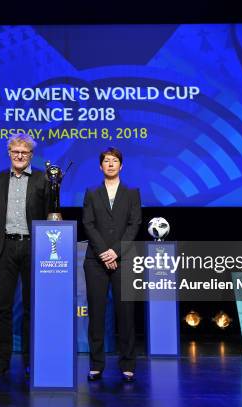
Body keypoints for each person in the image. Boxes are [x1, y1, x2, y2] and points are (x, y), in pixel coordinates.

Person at [0, 133, 48, 378]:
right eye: (15, 152)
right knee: (2, 308)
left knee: (32, 308)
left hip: (33, 246)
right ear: (9, 154)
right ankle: (1, 363)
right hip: (6, 247)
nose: (20, 156)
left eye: (24, 152)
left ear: (31, 155)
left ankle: (29, 362)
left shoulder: (43, 179)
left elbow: (48, 213)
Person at [82, 147, 141, 382]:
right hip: (95, 261)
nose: (110, 164)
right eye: (106, 161)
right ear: (100, 166)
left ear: (121, 166)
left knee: (126, 314)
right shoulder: (91, 193)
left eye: (114, 161)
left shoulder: (132, 193)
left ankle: (127, 364)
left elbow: (134, 225)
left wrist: (115, 252)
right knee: (96, 315)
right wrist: (104, 252)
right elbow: (88, 223)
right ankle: (96, 364)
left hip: (124, 259)